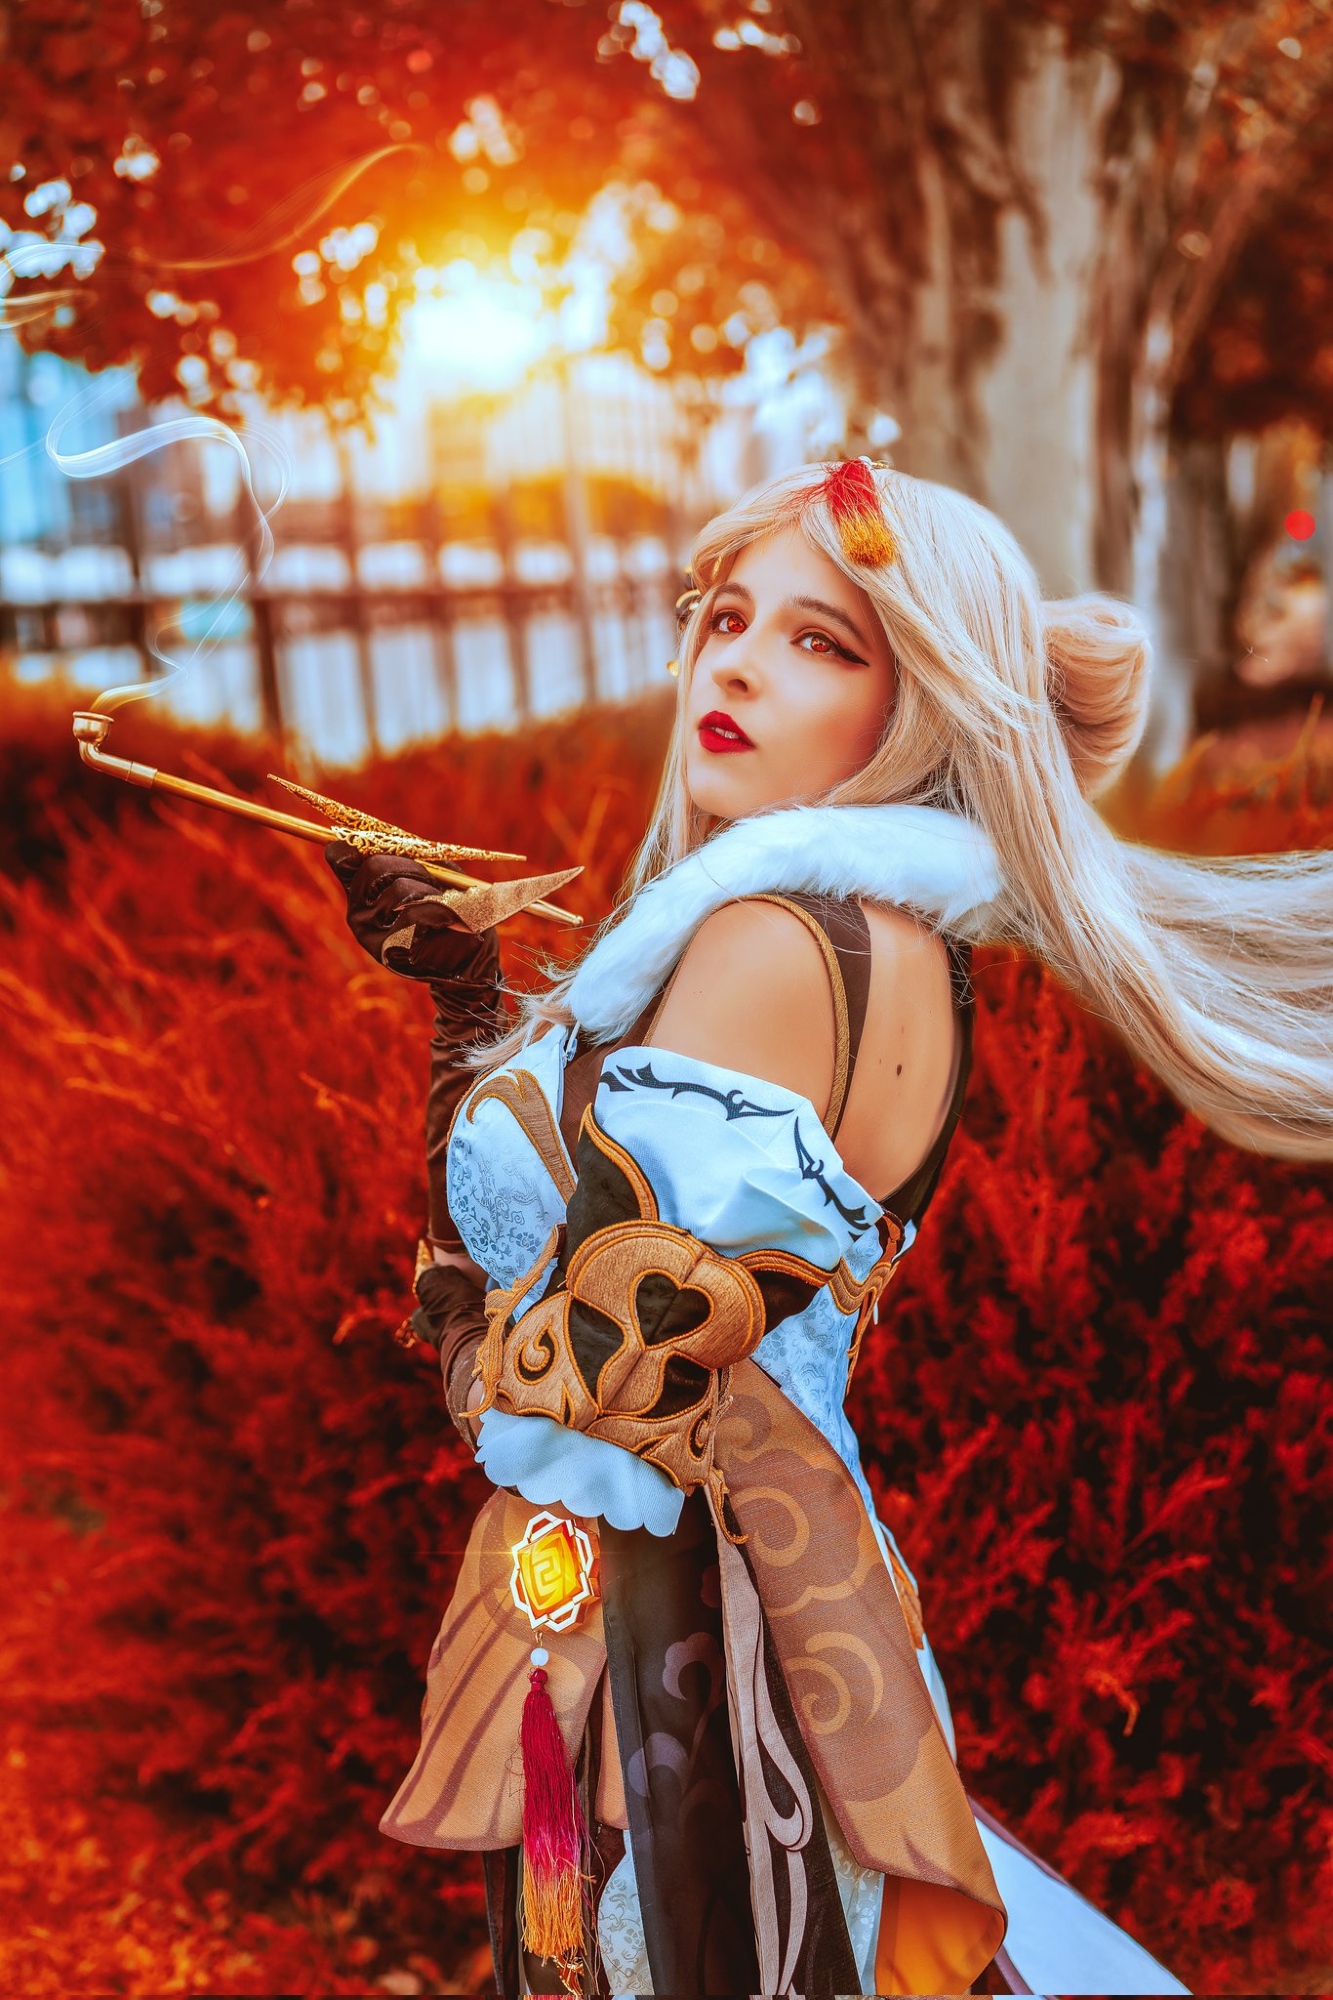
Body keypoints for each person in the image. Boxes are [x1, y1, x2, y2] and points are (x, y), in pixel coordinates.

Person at [331, 458, 1333, 1997]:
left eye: (820, 640)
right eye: (725, 616)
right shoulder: (882, 943)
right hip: (718, 1642)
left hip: (685, 1692)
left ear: (916, 705)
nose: (733, 663)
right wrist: (469, 1007)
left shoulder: (771, 944)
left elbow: (587, 1399)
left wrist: (464, 1314)